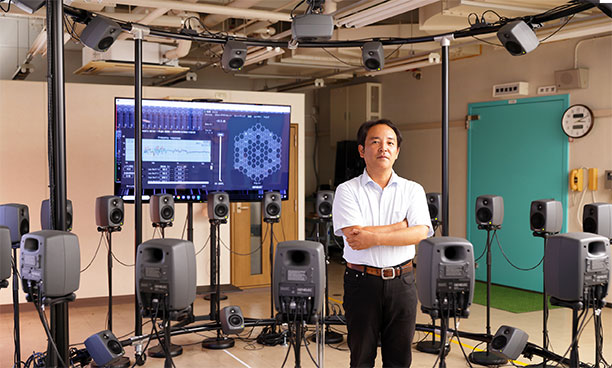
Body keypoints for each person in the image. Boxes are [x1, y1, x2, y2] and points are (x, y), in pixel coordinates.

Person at [332, 119, 433, 368]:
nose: (383, 148)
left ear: (397, 151)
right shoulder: (347, 190)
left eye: (390, 143)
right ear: (362, 150)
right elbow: (355, 236)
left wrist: (374, 237)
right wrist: (400, 227)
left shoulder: (413, 190)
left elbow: (419, 232)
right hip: (361, 283)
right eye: (375, 142)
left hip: (403, 282)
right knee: (361, 357)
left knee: (399, 359)